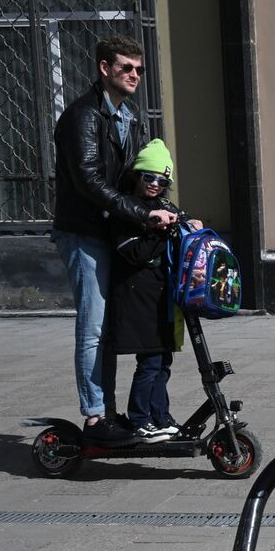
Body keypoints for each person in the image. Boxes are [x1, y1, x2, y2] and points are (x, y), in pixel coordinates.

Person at [50, 34, 179, 445]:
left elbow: (134, 176)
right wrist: (143, 214)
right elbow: (88, 181)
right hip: (84, 232)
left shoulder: (127, 116)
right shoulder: (83, 116)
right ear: (104, 68)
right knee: (92, 327)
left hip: (112, 227)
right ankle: (94, 417)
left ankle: (107, 411)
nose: (134, 75)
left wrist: (167, 209)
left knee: (107, 328)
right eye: (126, 67)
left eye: (139, 69)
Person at [107, 139, 201, 442]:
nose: (155, 184)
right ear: (137, 175)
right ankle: (140, 420)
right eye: (149, 176)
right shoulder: (126, 208)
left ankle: (161, 416)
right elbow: (133, 254)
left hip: (162, 296)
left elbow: (179, 230)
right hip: (137, 297)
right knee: (148, 361)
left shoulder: (164, 206)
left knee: (163, 361)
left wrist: (189, 226)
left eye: (163, 180)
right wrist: (164, 233)